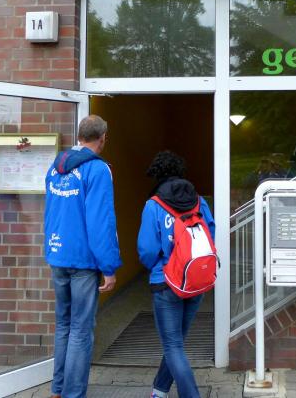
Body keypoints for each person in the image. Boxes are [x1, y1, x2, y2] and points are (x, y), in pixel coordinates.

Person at [43, 114, 122, 398]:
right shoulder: (98, 170)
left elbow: (51, 212)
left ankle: (58, 390)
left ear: (79, 136)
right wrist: (109, 267)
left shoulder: (55, 167)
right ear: (103, 138)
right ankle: (73, 394)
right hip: (83, 261)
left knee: (64, 324)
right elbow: (101, 221)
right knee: (80, 329)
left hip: (57, 255)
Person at [137, 151, 216, 398]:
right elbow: (211, 234)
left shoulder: (153, 205)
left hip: (166, 283)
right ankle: (160, 390)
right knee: (176, 343)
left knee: (173, 345)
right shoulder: (199, 201)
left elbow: (147, 250)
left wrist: (157, 266)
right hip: (195, 280)